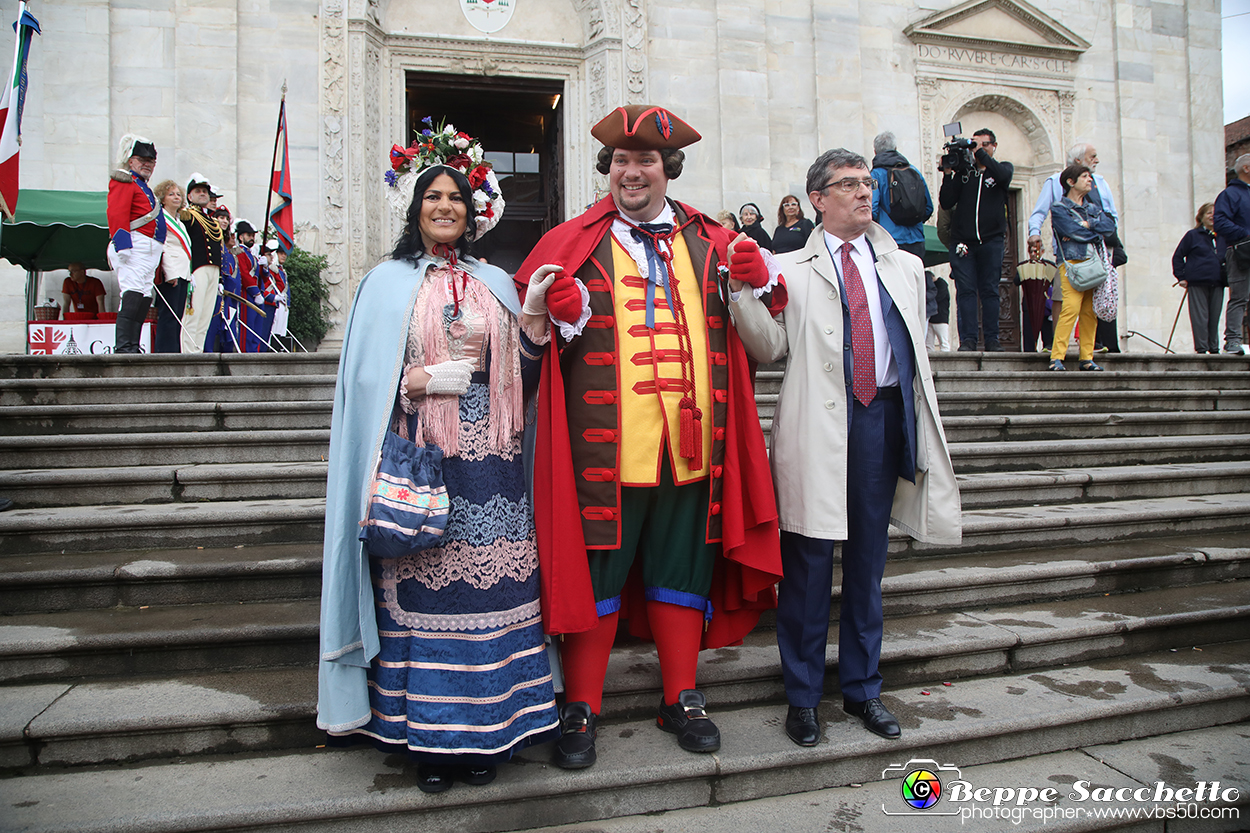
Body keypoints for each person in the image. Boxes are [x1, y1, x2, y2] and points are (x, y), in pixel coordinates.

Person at [514, 104, 785, 769]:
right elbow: (529, 342)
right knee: (597, 570)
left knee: (681, 570)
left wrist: (755, 280)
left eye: (647, 161)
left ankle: (681, 695)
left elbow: (766, 335)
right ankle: (581, 703)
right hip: (603, 452)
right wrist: (560, 317)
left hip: (694, 449)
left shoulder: (713, 241)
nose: (632, 172)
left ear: (669, 169)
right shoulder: (573, 240)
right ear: (609, 168)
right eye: (622, 161)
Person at [317, 124, 558, 794]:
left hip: (497, 470)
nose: (446, 206)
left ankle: (488, 733)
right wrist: (415, 382)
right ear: (416, 208)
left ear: (471, 209)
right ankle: (429, 738)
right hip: (424, 463)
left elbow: (527, 379)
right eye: (434, 197)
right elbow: (365, 385)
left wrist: (532, 320)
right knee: (427, 601)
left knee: (499, 596)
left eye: (456, 197)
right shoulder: (385, 284)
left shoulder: (495, 281)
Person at [730, 147, 961, 746]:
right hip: (820, 426)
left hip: (884, 420)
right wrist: (743, 292)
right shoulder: (786, 267)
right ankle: (803, 698)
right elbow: (767, 348)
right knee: (808, 568)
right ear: (818, 198)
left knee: (867, 567)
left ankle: (864, 690)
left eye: (868, 183)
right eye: (849, 184)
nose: (865, 193)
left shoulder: (904, 267)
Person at [1028, 143, 1122, 353]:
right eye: (1093, 156)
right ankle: (1057, 349)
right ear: (1078, 161)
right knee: (1064, 302)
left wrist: (1091, 227)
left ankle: (1094, 349)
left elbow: (1111, 219)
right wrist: (1034, 233)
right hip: (1070, 256)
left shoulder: (1101, 184)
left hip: (1099, 254)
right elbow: (1049, 217)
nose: (1096, 160)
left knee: (1095, 304)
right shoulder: (1054, 184)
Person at [938, 128, 1013, 351]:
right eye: (976, 144)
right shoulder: (965, 174)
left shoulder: (1001, 170)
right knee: (966, 290)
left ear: (994, 146)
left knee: (990, 289)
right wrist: (949, 174)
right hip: (964, 242)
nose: (980, 149)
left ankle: (992, 339)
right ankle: (968, 340)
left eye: (985, 145)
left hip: (991, 241)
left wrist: (981, 155)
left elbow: (1003, 176)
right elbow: (947, 201)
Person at [1048, 164, 1117, 371]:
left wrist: (1088, 226)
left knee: (1090, 311)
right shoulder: (1060, 208)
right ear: (1071, 181)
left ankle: (1086, 358)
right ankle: (1056, 357)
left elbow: (1110, 228)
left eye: (1090, 177)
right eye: (1085, 176)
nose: (1090, 180)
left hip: (1092, 264)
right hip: (1072, 263)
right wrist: (1092, 230)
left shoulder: (1093, 208)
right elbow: (1071, 231)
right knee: (1071, 308)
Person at [107, 134, 166, 353]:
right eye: (142, 159)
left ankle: (132, 343)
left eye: (150, 161)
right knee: (132, 293)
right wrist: (122, 244)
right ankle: (123, 346)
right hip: (134, 245)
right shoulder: (124, 180)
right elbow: (116, 212)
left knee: (143, 297)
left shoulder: (143, 187)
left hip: (148, 248)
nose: (147, 164)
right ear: (130, 160)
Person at [870, 131, 933, 261]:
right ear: (896, 149)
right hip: (916, 239)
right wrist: (912, 220)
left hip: (890, 241)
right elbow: (928, 208)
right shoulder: (914, 171)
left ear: (875, 151)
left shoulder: (875, 175)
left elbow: (872, 209)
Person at [1173, 202, 1227, 354]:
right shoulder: (1193, 235)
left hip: (1218, 282)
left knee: (1214, 318)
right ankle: (1202, 349)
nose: (1212, 216)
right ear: (1201, 217)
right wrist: (1181, 277)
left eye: (1215, 213)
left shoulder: (1222, 237)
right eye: (1208, 213)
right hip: (1197, 281)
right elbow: (1178, 256)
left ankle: (1214, 349)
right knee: (1200, 319)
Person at [179, 173, 225, 353]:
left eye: (205, 191)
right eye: (198, 191)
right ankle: (188, 353)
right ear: (189, 196)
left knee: (205, 316)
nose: (202, 194)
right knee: (193, 314)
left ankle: (197, 351)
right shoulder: (188, 215)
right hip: (197, 268)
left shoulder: (211, 220)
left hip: (213, 270)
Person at [1214, 153, 1250, 354]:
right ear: (1246, 168)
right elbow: (1220, 222)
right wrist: (1245, 235)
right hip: (1240, 252)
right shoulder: (1230, 194)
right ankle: (1233, 341)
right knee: (1239, 297)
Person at [152, 180, 191, 353]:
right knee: (168, 315)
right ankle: (165, 353)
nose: (176, 197)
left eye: (178, 194)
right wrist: (170, 273)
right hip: (172, 272)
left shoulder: (180, 222)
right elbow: (164, 246)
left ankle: (175, 351)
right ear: (162, 199)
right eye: (171, 194)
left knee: (178, 316)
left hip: (184, 272)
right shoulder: (160, 218)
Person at [205, 210, 241, 352]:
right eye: (221, 218)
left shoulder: (221, 241)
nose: (224, 221)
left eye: (227, 218)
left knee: (221, 325)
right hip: (213, 283)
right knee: (210, 322)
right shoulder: (212, 238)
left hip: (224, 288)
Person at [235, 220, 271, 352]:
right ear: (241, 237)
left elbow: (262, 277)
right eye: (248, 235)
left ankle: (254, 352)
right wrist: (255, 292)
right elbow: (244, 274)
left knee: (256, 329)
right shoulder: (238, 252)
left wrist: (265, 267)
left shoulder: (251, 254)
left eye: (253, 235)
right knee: (247, 328)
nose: (252, 238)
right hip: (247, 294)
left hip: (256, 295)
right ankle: (246, 353)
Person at [928, 271, 951, 351]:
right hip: (931, 319)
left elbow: (937, 298)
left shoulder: (941, 286)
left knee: (944, 343)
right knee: (928, 345)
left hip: (941, 319)